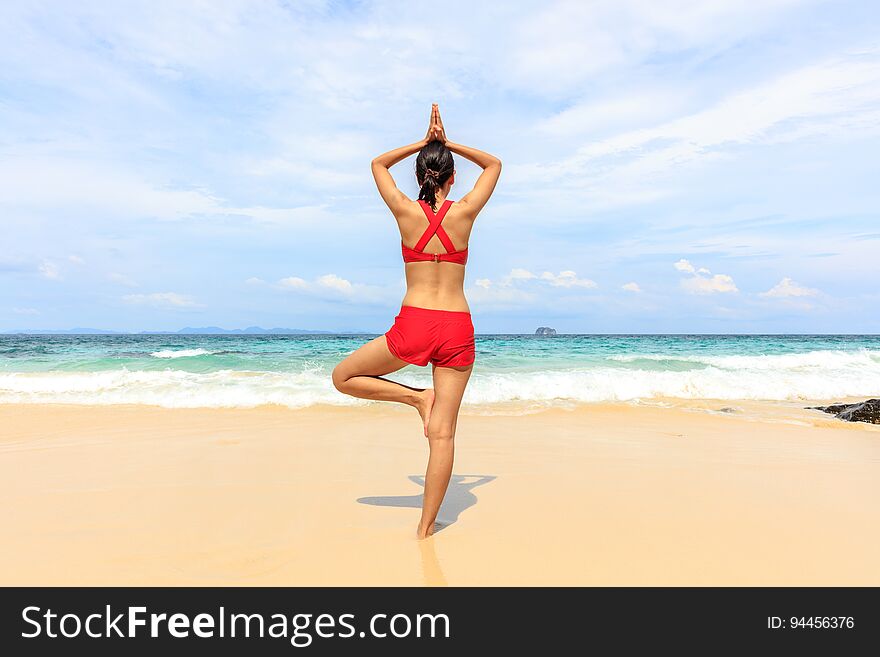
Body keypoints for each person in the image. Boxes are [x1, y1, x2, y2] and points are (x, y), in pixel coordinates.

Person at [332, 103, 502, 539]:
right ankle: (425, 529)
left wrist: (425, 142)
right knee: (442, 435)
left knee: (344, 376)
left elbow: (377, 163)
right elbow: (494, 163)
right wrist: (447, 143)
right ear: (452, 176)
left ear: (418, 175)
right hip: (457, 326)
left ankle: (414, 399)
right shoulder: (465, 212)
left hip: (415, 322)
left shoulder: (406, 212)